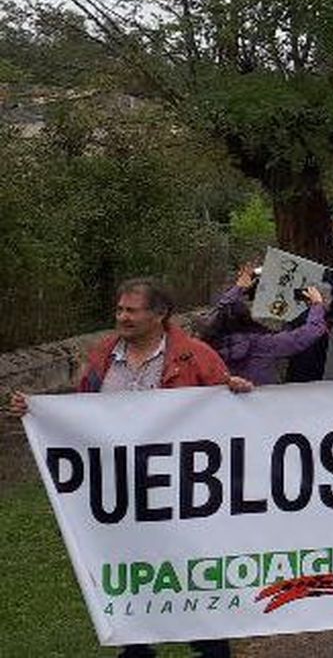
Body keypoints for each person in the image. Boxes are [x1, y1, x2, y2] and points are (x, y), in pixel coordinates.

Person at [7, 278, 251, 658]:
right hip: (119, 492)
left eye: (131, 310)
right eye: (120, 309)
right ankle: (137, 647)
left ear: (160, 315)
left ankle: (210, 644)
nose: (122, 317)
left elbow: (225, 417)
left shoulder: (195, 356)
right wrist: (36, 411)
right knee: (127, 568)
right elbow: (79, 413)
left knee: (193, 569)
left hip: (182, 491)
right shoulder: (102, 355)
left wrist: (235, 392)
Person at [200, 264, 329, 384]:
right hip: (261, 401)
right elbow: (308, 333)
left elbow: (221, 310)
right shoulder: (261, 344)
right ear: (247, 319)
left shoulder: (206, 346)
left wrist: (239, 288)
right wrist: (317, 305)